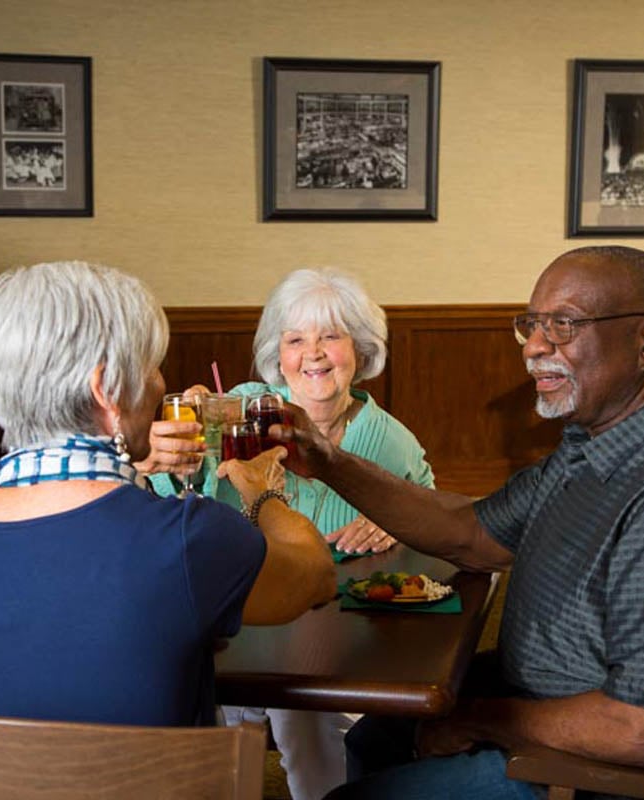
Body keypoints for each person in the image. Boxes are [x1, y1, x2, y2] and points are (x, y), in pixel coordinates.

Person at [268, 246, 644, 799]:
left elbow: (642, 730)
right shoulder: (593, 442)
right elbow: (473, 533)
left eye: (563, 325)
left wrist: (483, 720)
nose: (534, 347)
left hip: (579, 770)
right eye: (531, 325)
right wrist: (327, 460)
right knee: (370, 740)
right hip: (536, 702)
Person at [0, 260, 336, 727]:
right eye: (151, 367)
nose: (159, 384)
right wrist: (262, 493)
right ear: (107, 389)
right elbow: (317, 575)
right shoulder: (186, 539)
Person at [153, 267, 434, 800]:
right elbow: (172, 495)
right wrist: (171, 452)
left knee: (308, 710)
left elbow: (431, 514)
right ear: (277, 353)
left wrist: (391, 518)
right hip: (239, 620)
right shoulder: (239, 412)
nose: (314, 354)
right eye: (295, 340)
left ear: (360, 348)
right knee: (204, 709)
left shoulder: (389, 439)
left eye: (331, 336)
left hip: (332, 633)